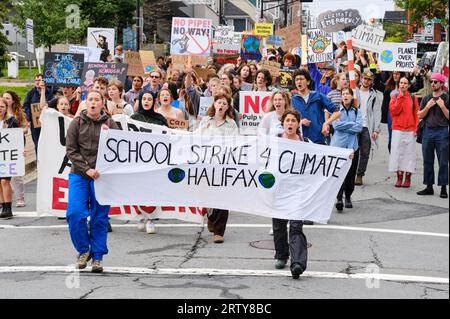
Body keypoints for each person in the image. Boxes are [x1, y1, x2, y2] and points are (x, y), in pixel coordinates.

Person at [65, 90, 119, 273]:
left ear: (103, 104)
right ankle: (83, 250)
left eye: (97, 100)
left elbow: (121, 147)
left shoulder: (110, 123)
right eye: (90, 100)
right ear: (85, 103)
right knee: (75, 213)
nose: (93, 102)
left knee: (99, 217)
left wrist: (110, 134)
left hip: (102, 177)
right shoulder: (76, 123)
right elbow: (71, 150)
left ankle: (97, 257)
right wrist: (86, 168)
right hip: (79, 174)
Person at [195, 93, 238, 243]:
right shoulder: (206, 120)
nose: (221, 105)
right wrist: (203, 128)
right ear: (214, 104)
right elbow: (196, 139)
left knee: (223, 196)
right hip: (206, 163)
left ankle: (219, 231)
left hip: (223, 164)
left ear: (228, 107)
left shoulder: (231, 124)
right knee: (208, 196)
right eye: (219, 102)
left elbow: (235, 144)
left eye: (224, 104)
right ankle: (211, 216)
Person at [272, 110, 309, 279]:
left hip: (297, 190)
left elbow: (324, 156)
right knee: (279, 225)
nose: (290, 123)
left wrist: (346, 156)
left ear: (298, 123)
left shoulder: (305, 142)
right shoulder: (275, 141)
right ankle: (281, 255)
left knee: (295, 226)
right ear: (283, 123)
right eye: (287, 120)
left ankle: (297, 263)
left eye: (293, 120)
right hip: (279, 189)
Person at [130, 92, 169, 233]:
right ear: (140, 101)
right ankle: (141, 215)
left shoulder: (160, 120)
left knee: (152, 189)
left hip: (154, 160)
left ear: (154, 102)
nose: (146, 101)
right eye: (144, 99)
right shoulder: (133, 118)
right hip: (138, 159)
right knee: (138, 188)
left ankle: (151, 218)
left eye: (150, 99)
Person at [417, 73, 449, 198]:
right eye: (432, 82)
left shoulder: (446, 98)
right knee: (427, 160)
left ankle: (443, 187)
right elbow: (419, 115)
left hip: (442, 131)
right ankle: (429, 186)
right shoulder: (426, 98)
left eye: (436, 82)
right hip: (428, 131)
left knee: (443, 161)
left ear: (441, 84)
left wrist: (442, 106)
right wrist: (428, 106)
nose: (433, 84)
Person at [330, 88, 362, 212]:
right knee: (338, 173)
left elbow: (359, 127)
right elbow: (336, 125)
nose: (345, 96)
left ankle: (348, 195)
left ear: (351, 96)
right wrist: (351, 125)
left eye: (347, 93)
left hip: (352, 147)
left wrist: (344, 126)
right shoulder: (337, 111)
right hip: (338, 146)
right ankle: (339, 198)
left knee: (350, 174)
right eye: (343, 94)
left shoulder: (357, 111)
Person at [291, 69, 340, 145]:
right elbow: (287, 120)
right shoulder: (292, 100)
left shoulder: (318, 96)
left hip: (319, 139)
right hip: (300, 141)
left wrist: (326, 123)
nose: (299, 82)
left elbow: (337, 112)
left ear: (308, 82)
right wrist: (300, 122)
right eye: (296, 80)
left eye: (301, 79)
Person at [388, 77, 419, 188]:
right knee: (397, 153)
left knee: (409, 154)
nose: (403, 85)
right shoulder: (394, 97)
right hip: (397, 129)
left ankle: (408, 177)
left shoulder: (413, 97)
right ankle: (399, 177)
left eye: (405, 83)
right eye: (401, 83)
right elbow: (394, 111)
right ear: (398, 84)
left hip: (410, 129)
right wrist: (400, 98)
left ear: (408, 85)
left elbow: (416, 114)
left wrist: (416, 128)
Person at [354, 71, 383, 186]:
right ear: (361, 79)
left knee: (365, 152)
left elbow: (377, 112)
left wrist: (376, 129)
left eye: (369, 79)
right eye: (365, 78)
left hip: (367, 127)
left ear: (372, 81)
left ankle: (360, 175)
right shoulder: (354, 91)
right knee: (353, 152)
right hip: (355, 126)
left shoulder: (374, 95)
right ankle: (350, 173)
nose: (366, 81)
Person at [2, 91, 28, 208]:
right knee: (4, 175)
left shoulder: (18, 114)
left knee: (16, 174)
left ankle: (19, 197)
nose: (5, 100)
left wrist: (16, 133)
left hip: (16, 145)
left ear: (12, 101)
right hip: (3, 147)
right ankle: (4, 198)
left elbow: (25, 128)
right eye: (4, 98)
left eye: (8, 98)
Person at [22, 74, 53, 154]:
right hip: (35, 125)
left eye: (39, 80)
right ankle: (39, 162)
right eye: (36, 80)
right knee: (37, 143)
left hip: (48, 124)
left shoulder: (50, 92)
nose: (37, 82)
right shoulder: (30, 93)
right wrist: (29, 118)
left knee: (49, 143)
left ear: (44, 81)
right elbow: (25, 106)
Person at [0, 97, 19, 219]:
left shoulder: (12, 121)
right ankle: (2, 205)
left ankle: (8, 207)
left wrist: (21, 151)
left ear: (6, 108)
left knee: (4, 180)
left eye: (2, 106)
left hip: (7, 156)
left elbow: (17, 137)